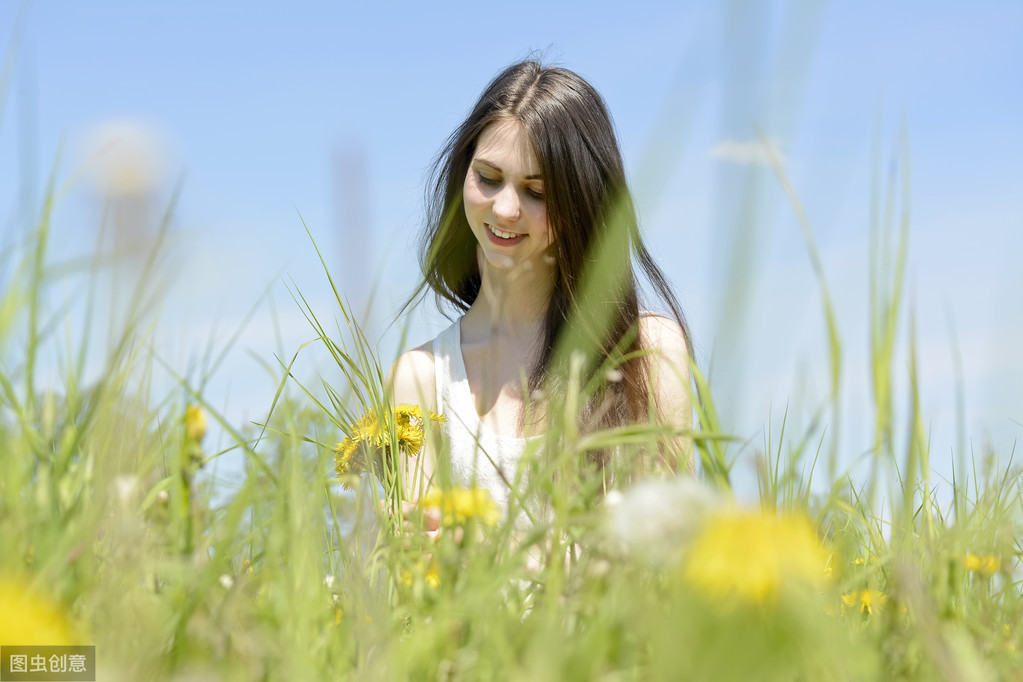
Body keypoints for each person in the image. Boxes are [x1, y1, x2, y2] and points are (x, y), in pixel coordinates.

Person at [387, 59, 694, 518]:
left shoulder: (647, 352)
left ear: (583, 203)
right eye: (488, 179)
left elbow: (671, 553)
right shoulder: (418, 378)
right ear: (462, 174)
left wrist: (496, 548)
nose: (506, 208)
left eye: (537, 192)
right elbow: (415, 575)